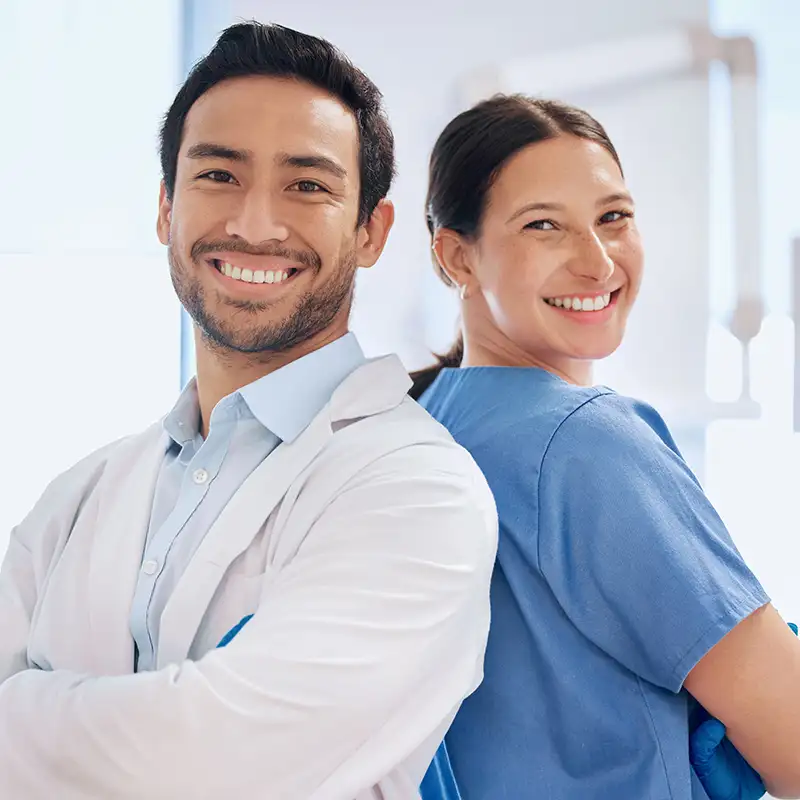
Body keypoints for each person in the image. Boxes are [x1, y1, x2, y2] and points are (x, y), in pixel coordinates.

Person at [0, 22, 498, 799]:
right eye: (219, 176)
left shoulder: (420, 493)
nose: (255, 224)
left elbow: (216, 768)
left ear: (371, 231)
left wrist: (24, 710)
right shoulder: (80, 495)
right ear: (166, 210)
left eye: (307, 185)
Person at [412, 94, 800, 799]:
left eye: (613, 218)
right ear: (456, 257)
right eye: (544, 227)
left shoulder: (424, 426)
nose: (597, 262)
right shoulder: (587, 442)